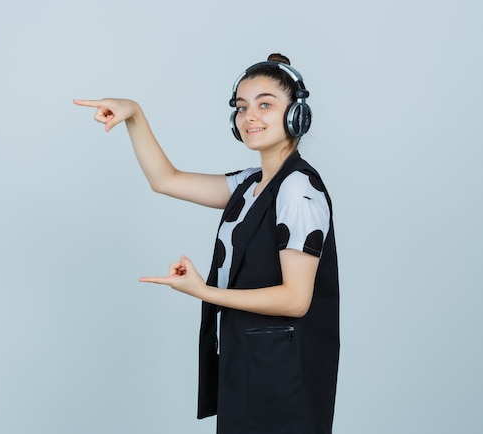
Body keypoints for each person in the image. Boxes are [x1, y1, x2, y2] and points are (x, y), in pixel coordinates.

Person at [73, 53, 339, 434]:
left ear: (296, 115)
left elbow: (296, 300)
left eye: (265, 104)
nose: (250, 116)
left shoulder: (298, 189)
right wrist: (134, 114)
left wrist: (204, 291)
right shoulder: (250, 183)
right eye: (241, 107)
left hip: (282, 374)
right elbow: (166, 179)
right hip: (248, 362)